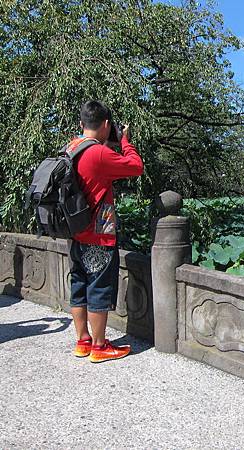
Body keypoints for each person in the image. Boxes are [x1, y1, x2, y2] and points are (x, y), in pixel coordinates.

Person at [68, 100, 144, 363]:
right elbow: (135, 166)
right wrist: (126, 141)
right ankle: (100, 347)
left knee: (78, 285)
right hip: (98, 234)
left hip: (75, 232)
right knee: (99, 287)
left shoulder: (72, 147)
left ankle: (83, 341)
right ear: (107, 125)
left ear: (81, 124)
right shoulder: (99, 153)